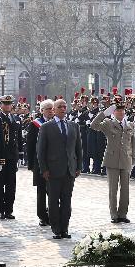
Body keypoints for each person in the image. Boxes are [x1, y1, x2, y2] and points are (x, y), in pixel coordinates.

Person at [37, 98, 82, 239]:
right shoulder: (46, 127)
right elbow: (41, 150)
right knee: (53, 201)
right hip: (53, 170)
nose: (63, 109)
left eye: (64, 106)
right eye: (60, 107)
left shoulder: (74, 126)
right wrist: (44, 169)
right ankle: (56, 229)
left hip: (69, 170)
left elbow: (78, 148)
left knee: (67, 201)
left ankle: (65, 228)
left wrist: (79, 166)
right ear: (54, 110)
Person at [91, 102, 135, 223]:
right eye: (117, 111)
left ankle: (123, 214)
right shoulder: (108, 123)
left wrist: (134, 158)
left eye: (122, 111)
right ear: (113, 112)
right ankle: (114, 214)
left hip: (126, 159)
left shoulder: (130, 124)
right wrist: (104, 113)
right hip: (112, 160)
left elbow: (132, 143)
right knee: (113, 189)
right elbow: (93, 125)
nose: (120, 113)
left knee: (125, 189)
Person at [0, 95, 22, 220]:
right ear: (1, 105)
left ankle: (9, 209)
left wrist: (20, 155)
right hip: (1, 155)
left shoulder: (16, 118)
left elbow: (18, 137)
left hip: (12, 155)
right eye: (5, 104)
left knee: (11, 184)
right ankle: (0, 209)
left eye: (9, 104)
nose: (8, 106)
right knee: (0, 183)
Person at [26, 99, 54, 226]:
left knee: (54, 190)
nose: (50, 111)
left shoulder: (56, 123)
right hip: (40, 162)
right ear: (41, 110)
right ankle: (42, 215)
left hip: (54, 162)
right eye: (47, 109)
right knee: (41, 190)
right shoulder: (35, 124)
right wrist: (31, 164)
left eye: (52, 108)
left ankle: (53, 213)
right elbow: (30, 145)